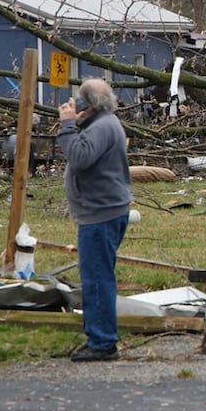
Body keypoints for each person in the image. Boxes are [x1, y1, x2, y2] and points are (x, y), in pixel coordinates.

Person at [56, 77, 132, 361]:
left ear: (88, 105)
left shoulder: (101, 127)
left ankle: (102, 343)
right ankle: (99, 335)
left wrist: (66, 125)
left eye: (79, 100)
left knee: (97, 279)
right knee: (99, 277)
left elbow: (80, 157)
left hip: (100, 214)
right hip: (104, 211)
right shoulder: (105, 123)